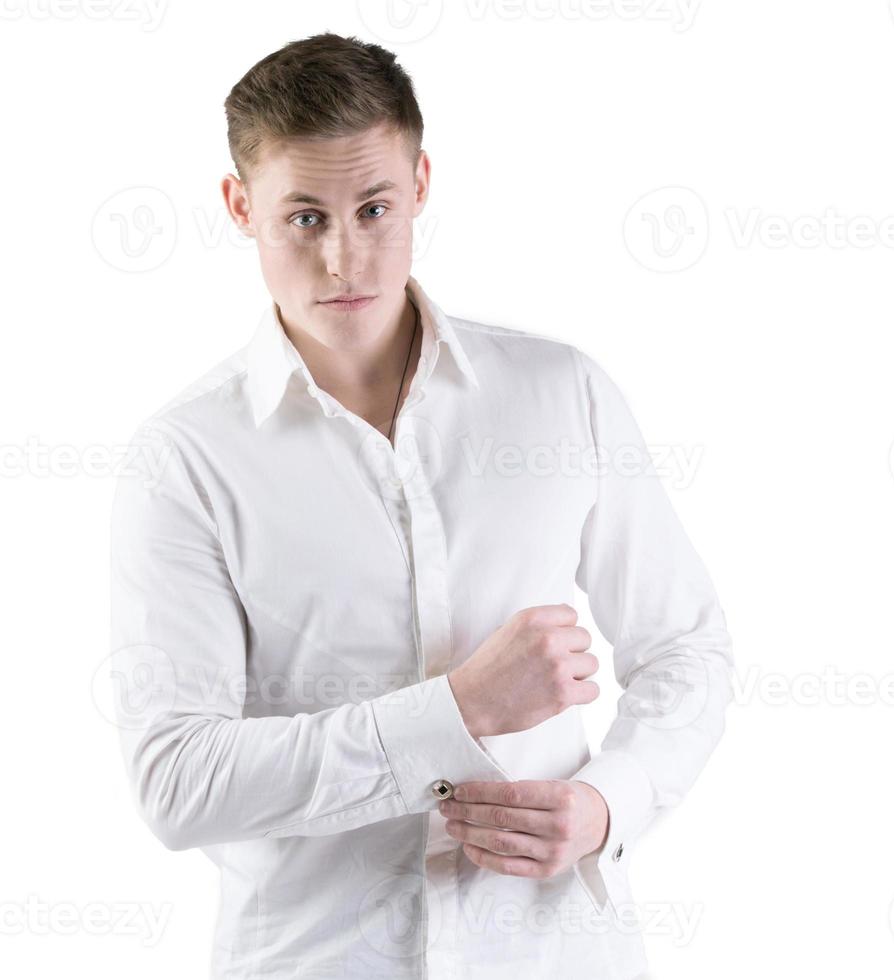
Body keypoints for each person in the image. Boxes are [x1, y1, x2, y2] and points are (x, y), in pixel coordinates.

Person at [108, 31, 734, 980]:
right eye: (304, 218)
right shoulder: (184, 461)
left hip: (555, 954)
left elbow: (687, 644)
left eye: (373, 208)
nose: (344, 260)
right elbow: (177, 781)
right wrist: (459, 709)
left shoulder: (560, 394)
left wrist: (613, 802)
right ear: (241, 207)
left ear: (422, 183)